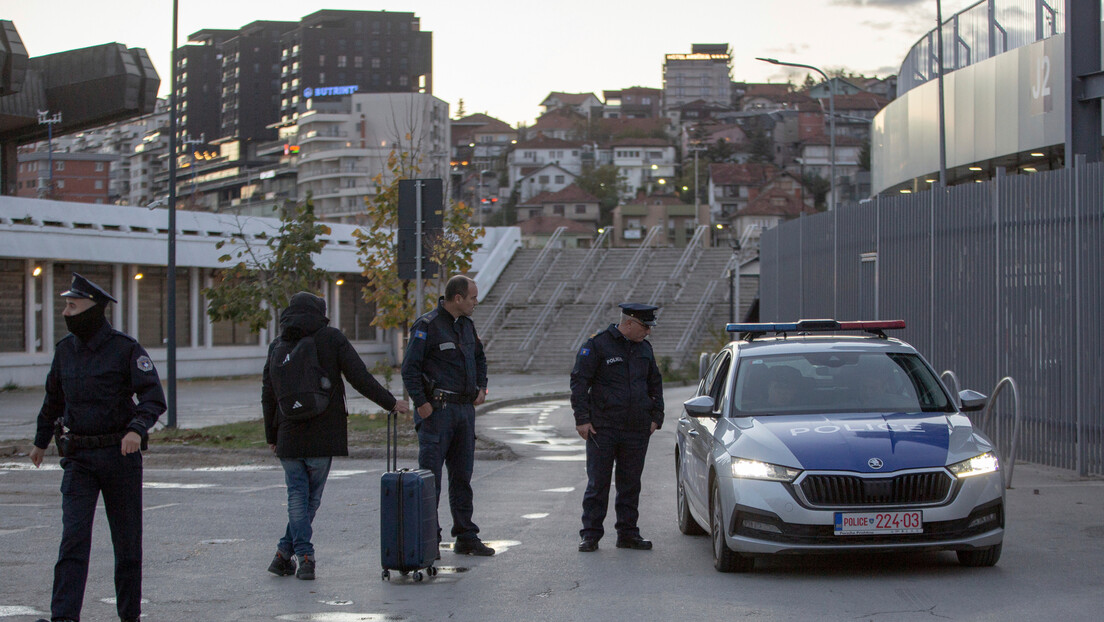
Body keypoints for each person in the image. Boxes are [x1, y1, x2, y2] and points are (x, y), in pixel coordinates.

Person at [30, 273, 166, 622]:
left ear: (93, 309)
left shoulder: (125, 349)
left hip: (119, 457)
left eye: (72, 306)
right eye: (66, 305)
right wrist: (40, 441)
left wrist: (137, 429)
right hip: (79, 458)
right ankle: (63, 617)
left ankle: (129, 616)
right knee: (73, 541)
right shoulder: (65, 351)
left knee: (127, 546)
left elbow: (153, 397)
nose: (66, 311)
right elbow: (53, 399)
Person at [262, 292, 409, 580]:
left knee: (297, 496)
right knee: (309, 501)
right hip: (322, 432)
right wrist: (391, 402)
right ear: (321, 312)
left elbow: (268, 393)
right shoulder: (331, 338)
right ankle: (304, 556)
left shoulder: (277, 345)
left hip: (288, 433)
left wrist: (272, 433)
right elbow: (359, 376)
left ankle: (284, 555)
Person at [401, 275, 494, 557]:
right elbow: (409, 368)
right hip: (437, 412)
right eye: (472, 298)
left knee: (462, 477)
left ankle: (465, 535)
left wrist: (481, 387)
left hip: (464, 412)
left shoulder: (467, 326)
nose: (476, 302)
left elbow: (479, 358)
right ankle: (429, 537)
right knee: (431, 478)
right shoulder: (427, 326)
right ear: (457, 298)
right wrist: (420, 402)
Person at [570, 302, 664, 553]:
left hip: (636, 428)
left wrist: (656, 416)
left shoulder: (644, 349)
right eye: (645, 326)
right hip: (604, 427)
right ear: (629, 323)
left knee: (630, 483)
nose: (648, 331)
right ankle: (590, 535)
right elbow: (580, 382)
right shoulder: (598, 345)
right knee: (598, 483)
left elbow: (655, 383)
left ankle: (628, 533)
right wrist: (582, 418)